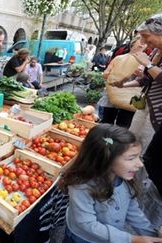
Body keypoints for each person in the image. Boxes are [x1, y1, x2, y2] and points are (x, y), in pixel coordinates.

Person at [61, 124, 161, 243]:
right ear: (105, 159)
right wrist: (132, 239)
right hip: (82, 239)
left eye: (138, 157)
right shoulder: (81, 186)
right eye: (131, 158)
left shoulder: (125, 180)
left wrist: (152, 235)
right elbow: (86, 224)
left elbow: (132, 210)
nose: (140, 164)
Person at [113, 14, 162, 195]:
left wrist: (148, 64)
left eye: (146, 37)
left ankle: (140, 189)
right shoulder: (157, 53)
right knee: (133, 141)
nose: (143, 42)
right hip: (147, 106)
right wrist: (124, 84)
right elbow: (148, 80)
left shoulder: (152, 58)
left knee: (148, 152)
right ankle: (127, 179)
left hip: (158, 113)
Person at [99, 37, 147, 128]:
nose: (143, 44)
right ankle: (104, 141)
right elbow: (106, 73)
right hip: (113, 94)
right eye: (141, 41)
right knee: (106, 122)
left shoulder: (146, 61)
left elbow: (146, 79)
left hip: (131, 97)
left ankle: (117, 141)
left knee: (123, 126)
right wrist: (107, 74)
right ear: (132, 43)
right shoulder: (119, 58)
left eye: (145, 43)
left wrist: (141, 75)